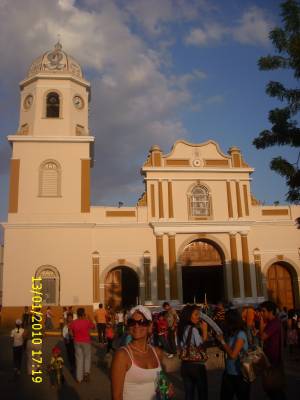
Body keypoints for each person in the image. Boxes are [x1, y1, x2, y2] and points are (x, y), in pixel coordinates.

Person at [111, 305, 164, 400]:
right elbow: (116, 396)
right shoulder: (122, 355)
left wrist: (166, 390)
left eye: (142, 322)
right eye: (132, 322)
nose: (136, 325)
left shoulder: (157, 352)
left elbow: (161, 386)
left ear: (150, 326)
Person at [216, 309, 250, 400]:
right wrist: (220, 342)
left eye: (226, 320)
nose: (224, 322)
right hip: (229, 373)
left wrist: (222, 341)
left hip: (240, 375)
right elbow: (228, 349)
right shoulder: (231, 334)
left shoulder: (241, 334)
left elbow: (233, 355)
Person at [178, 304, 208, 400]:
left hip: (185, 365)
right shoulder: (193, 329)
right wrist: (205, 332)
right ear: (188, 315)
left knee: (189, 394)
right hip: (196, 365)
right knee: (202, 393)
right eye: (196, 314)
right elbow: (201, 346)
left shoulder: (181, 328)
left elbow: (180, 345)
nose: (198, 317)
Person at [259, 301, 285, 400]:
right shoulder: (271, 323)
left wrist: (261, 322)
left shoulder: (274, 323)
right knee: (273, 391)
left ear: (271, 312)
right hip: (270, 360)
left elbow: (262, 337)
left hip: (273, 362)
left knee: (275, 391)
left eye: (263, 311)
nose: (262, 313)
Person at [69, 307, 95, 383]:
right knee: (87, 358)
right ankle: (86, 373)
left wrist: (73, 337)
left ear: (77, 314)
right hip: (86, 341)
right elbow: (93, 327)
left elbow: (70, 331)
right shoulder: (87, 321)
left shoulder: (74, 322)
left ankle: (79, 379)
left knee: (79, 359)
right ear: (83, 313)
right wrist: (89, 318)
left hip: (77, 341)